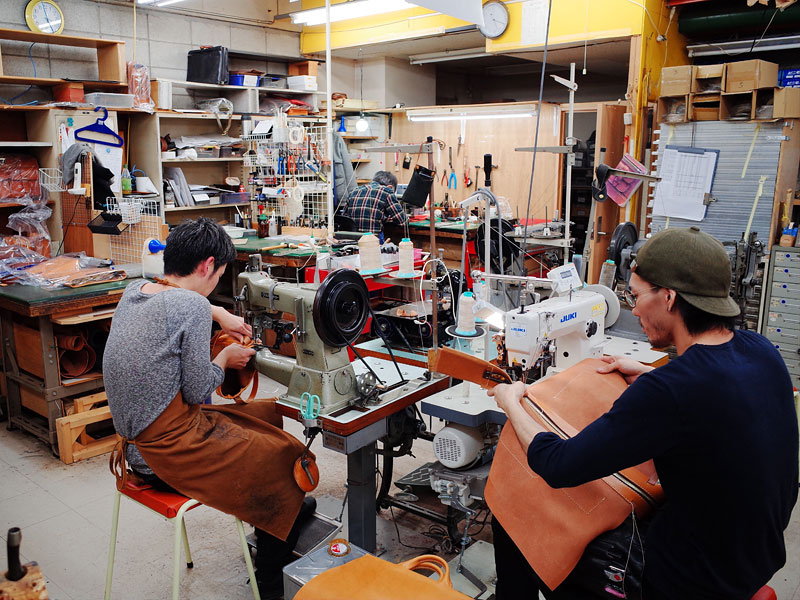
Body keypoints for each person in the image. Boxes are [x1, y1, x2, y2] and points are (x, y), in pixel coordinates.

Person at [488, 226, 799, 600]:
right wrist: (652, 372)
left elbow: (557, 465)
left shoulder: (672, 391)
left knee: (513, 509)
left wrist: (512, 402)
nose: (633, 309)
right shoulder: (760, 349)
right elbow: (718, 390)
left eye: (635, 296)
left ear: (668, 297)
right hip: (753, 556)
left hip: (688, 582)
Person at [104, 218, 314, 599]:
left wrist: (219, 314)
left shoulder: (135, 290)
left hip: (135, 444)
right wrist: (228, 356)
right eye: (219, 273)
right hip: (165, 457)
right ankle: (271, 581)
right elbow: (200, 387)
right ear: (207, 266)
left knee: (267, 416)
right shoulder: (190, 307)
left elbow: (179, 304)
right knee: (283, 456)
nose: (217, 281)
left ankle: (284, 510)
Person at [337, 170, 408, 237]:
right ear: (390, 187)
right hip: (373, 240)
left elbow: (345, 218)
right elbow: (402, 222)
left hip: (353, 239)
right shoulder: (387, 191)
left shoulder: (354, 191)